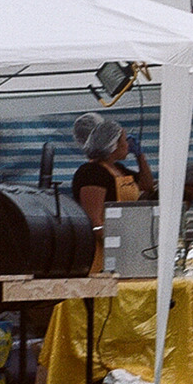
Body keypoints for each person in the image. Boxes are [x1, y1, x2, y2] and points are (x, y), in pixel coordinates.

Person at [70, 115, 154, 274]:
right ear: (113, 145)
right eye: (124, 140)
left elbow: (147, 185)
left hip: (124, 245)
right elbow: (93, 220)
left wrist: (140, 156)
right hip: (101, 252)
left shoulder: (119, 169)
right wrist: (115, 244)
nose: (128, 145)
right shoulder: (91, 173)